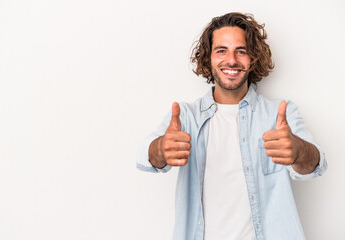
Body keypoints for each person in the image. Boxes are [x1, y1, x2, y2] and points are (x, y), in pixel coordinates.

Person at [136, 12, 327, 240]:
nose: (232, 60)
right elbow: (144, 158)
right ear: (208, 58)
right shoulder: (186, 117)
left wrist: (299, 151)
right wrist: (160, 150)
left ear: (253, 58)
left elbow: (316, 166)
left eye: (241, 51)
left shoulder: (278, 114)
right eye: (221, 50)